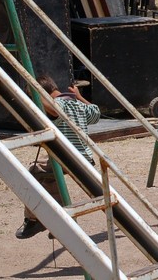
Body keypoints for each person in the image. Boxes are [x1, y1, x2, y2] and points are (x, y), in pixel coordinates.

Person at [15, 74, 100, 239]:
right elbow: (96, 113)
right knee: (49, 177)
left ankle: (34, 220)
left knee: (32, 171)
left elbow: (54, 111)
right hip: (85, 158)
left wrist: (36, 95)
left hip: (68, 158)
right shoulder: (76, 104)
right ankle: (59, 219)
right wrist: (80, 97)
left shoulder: (57, 105)